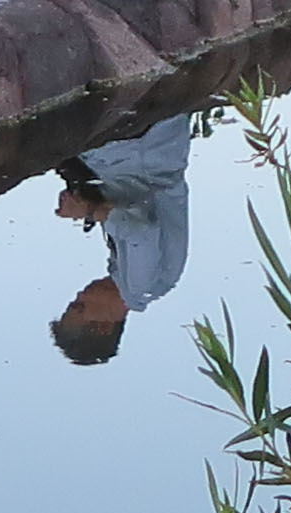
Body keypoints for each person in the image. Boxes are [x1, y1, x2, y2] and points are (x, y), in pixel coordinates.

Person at [43, 116, 197, 364]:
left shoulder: (124, 276)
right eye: (80, 306)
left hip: (137, 157)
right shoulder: (141, 287)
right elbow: (141, 231)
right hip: (146, 149)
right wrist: (90, 210)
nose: (80, 294)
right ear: (103, 326)